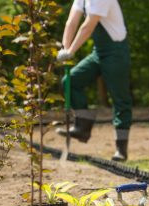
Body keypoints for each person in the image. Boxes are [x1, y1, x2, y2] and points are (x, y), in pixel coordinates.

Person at [56, 0, 132, 161]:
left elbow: (87, 27)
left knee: (120, 100)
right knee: (70, 81)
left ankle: (121, 149)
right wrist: (64, 48)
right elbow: (71, 22)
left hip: (116, 52)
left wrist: (71, 51)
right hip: (98, 52)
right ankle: (82, 127)